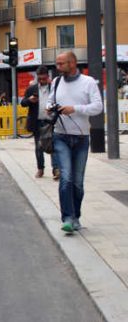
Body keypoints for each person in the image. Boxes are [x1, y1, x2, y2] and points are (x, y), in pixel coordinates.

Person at [48, 52, 103, 234]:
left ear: (72, 63)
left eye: (61, 63)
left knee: (78, 182)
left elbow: (98, 107)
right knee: (66, 178)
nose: (58, 67)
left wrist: (75, 109)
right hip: (60, 135)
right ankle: (67, 218)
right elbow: (50, 102)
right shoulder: (56, 82)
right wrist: (50, 108)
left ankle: (76, 216)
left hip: (81, 138)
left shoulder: (88, 82)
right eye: (57, 63)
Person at [21, 66, 59, 180]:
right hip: (37, 121)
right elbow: (23, 103)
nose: (42, 81)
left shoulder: (54, 88)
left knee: (53, 145)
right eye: (40, 79)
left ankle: (56, 169)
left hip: (51, 122)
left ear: (48, 76)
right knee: (39, 146)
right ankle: (40, 169)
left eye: (44, 78)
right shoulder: (31, 89)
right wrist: (29, 100)